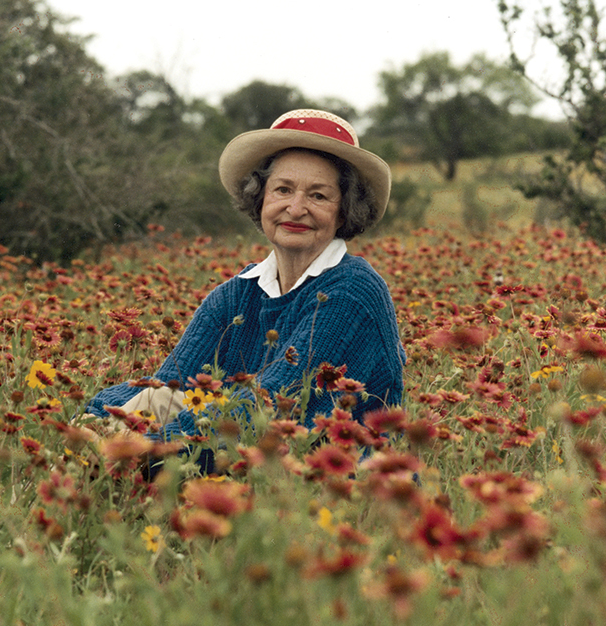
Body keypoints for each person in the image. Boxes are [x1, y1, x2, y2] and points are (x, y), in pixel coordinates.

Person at [84, 109, 406, 441]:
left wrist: (146, 447)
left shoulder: (352, 291)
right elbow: (169, 384)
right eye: (283, 190)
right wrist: (94, 420)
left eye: (318, 195)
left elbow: (274, 407)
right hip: (234, 454)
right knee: (156, 400)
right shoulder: (234, 296)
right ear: (260, 196)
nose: (295, 209)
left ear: (344, 210)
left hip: (336, 476)